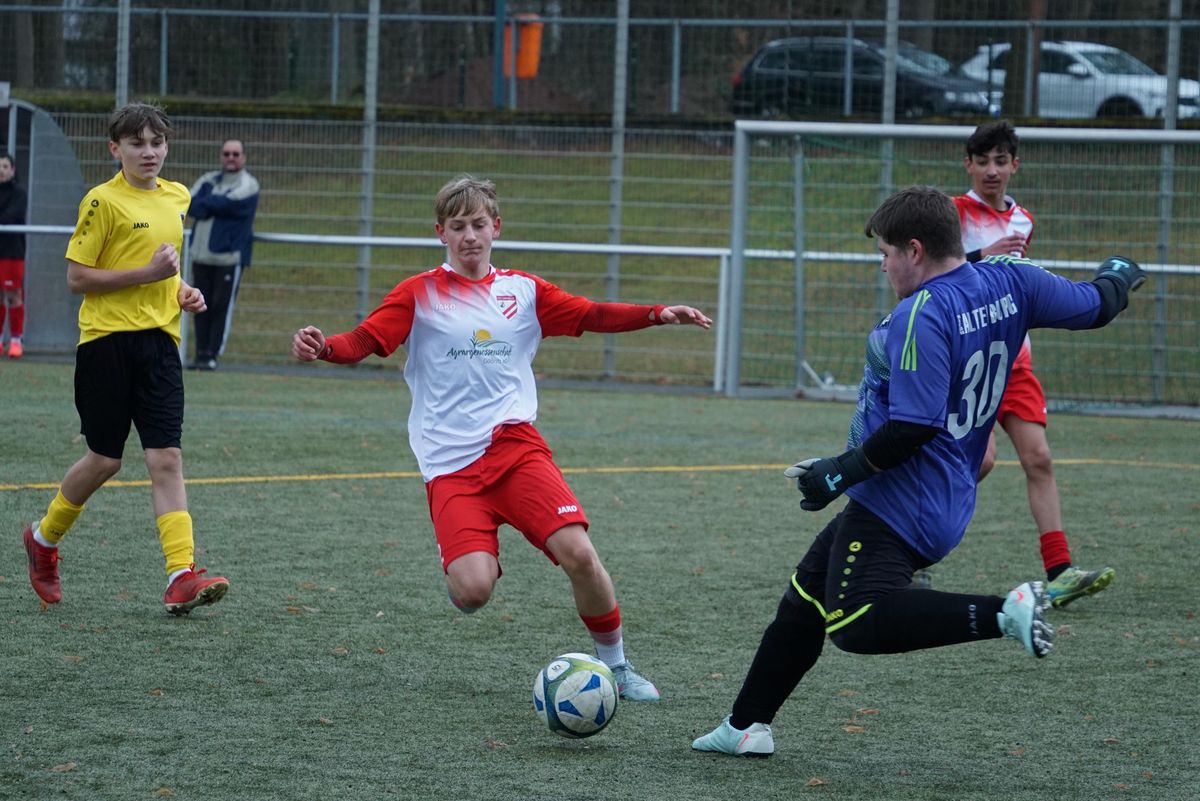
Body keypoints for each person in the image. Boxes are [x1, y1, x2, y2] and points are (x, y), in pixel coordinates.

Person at [692, 186, 1144, 757]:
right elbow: (1098, 305)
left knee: (855, 622)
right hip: (940, 490)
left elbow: (912, 427)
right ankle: (745, 725)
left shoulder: (922, 313)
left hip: (905, 498)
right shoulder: (1012, 280)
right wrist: (1119, 274)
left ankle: (1004, 612)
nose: (882, 266)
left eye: (885, 253)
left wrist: (837, 473)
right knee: (805, 598)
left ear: (914, 249)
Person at [292, 174, 712, 701]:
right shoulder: (418, 293)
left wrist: (655, 314)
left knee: (580, 555)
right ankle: (468, 572)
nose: (469, 235)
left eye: (478, 224)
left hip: (515, 449)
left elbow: (591, 314)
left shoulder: (524, 291)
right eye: (457, 226)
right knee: (473, 592)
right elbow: (365, 339)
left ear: (496, 227)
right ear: (441, 233)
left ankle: (618, 667)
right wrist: (324, 347)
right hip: (450, 466)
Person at [21, 102, 230, 615]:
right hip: (105, 345)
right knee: (104, 460)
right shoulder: (102, 201)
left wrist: (181, 291)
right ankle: (43, 540)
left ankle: (181, 575)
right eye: (137, 143)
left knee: (166, 457)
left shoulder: (177, 197)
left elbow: (163, 270)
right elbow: (77, 278)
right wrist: (148, 275)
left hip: (160, 346)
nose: (149, 152)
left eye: (157, 142)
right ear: (115, 149)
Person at [937, 120, 1113, 608]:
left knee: (1039, 457)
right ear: (968, 165)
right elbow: (937, 273)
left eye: (1001, 161)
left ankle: (1060, 572)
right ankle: (912, 551)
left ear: (1015, 165)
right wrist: (982, 254)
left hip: (1014, 359)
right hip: (968, 357)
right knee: (980, 461)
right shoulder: (950, 213)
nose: (991, 170)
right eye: (982, 161)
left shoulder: (1024, 221)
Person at [186, 138, 260, 370]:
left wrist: (208, 205)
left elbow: (232, 205)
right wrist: (214, 205)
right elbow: (190, 204)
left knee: (221, 307)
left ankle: (212, 355)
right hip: (200, 256)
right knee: (200, 306)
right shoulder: (208, 180)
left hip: (228, 257)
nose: (231, 158)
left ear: (243, 157)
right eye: (227, 153)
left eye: (235, 154)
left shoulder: (249, 185)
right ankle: (200, 354)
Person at [0, 153, 28, 359]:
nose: (1, 170)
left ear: (12, 170)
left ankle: (16, 340)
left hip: (12, 251)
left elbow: (10, 216)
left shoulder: (19, 193)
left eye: (4, 166)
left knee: (13, 294)